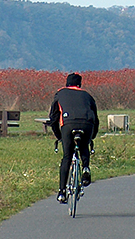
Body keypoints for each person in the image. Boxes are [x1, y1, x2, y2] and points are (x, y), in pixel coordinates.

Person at [48, 73, 99, 204]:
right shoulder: (87, 95)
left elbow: (53, 118)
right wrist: (92, 137)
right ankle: (86, 168)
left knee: (67, 157)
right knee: (84, 147)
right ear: (80, 84)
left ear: (67, 83)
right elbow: (96, 118)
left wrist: (59, 136)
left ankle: (61, 192)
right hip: (87, 124)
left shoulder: (60, 94)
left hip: (68, 124)